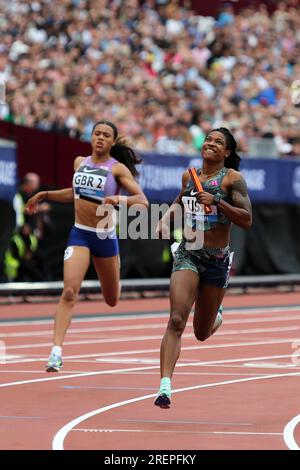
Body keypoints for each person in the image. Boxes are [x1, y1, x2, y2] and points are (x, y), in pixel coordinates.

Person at [25, 120, 148, 372]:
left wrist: (118, 199)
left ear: (112, 142)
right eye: (96, 134)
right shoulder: (80, 162)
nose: (100, 138)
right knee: (69, 292)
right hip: (80, 233)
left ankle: (113, 271)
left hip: (104, 237)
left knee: (112, 299)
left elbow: (142, 201)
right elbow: (74, 193)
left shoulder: (118, 170)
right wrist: (44, 194)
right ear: (91, 138)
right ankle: (56, 351)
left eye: (105, 135)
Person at [154, 127, 252, 408]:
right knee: (176, 320)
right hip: (190, 252)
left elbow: (246, 220)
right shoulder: (190, 175)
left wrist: (219, 202)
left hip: (217, 260)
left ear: (227, 152)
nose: (210, 143)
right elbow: (179, 201)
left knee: (201, 332)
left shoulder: (233, 179)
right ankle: (164, 387)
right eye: (208, 139)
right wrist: (164, 220)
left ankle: (216, 314)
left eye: (218, 141)